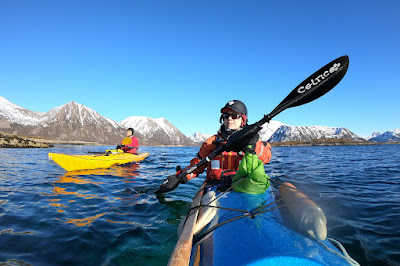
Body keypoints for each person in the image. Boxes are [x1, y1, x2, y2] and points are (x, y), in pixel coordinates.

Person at [161, 100, 271, 191]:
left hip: (244, 186)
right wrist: (181, 177)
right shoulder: (212, 142)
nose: (229, 119)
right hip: (215, 187)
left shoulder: (253, 141)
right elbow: (197, 166)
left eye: (234, 115)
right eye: (226, 116)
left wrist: (250, 144)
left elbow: (266, 157)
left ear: (243, 119)